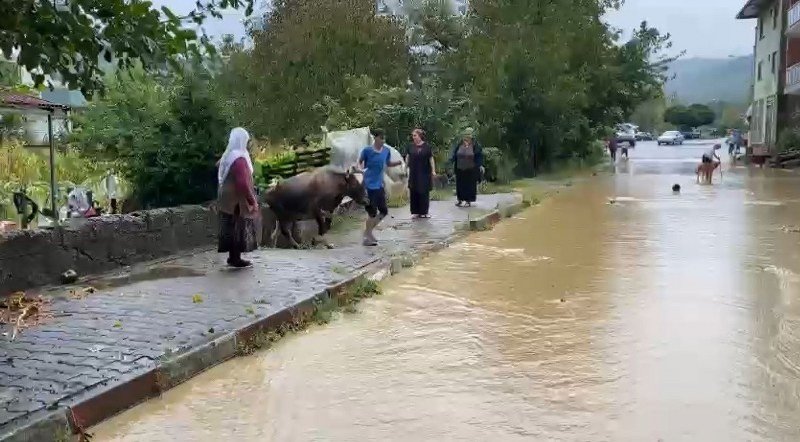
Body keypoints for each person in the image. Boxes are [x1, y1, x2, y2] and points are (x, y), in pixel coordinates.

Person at [217, 127, 260, 268]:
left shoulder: (229, 154)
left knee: (231, 225)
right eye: (246, 141)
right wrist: (251, 200)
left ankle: (232, 257)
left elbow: (219, 166)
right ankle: (235, 258)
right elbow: (242, 182)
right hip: (236, 198)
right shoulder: (239, 158)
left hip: (226, 196)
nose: (248, 143)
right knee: (237, 226)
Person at [359, 129, 403, 246]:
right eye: (381, 138)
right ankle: (367, 236)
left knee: (383, 211)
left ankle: (368, 232)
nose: (383, 141)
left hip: (379, 185)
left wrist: (397, 163)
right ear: (375, 138)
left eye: (384, 138)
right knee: (372, 213)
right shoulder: (367, 151)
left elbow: (387, 163)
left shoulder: (386, 151)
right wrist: (360, 170)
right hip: (369, 185)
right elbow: (359, 162)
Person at [405, 128, 436, 219]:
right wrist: (405, 167)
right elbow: (407, 157)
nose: (413, 137)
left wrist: (433, 170)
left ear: (420, 136)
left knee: (423, 192)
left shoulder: (427, 147)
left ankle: (424, 212)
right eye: (413, 136)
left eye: (415, 135)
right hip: (414, 172)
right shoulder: (410, 146)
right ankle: (415, 212)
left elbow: (431, 159)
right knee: (414, 191)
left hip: (424, 172)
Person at [450, 128, 484, 207]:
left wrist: (478, 165)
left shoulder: (475, 145)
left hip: (471, 168)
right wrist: (452, 161)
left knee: (470, 185)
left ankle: (468, 200)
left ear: (471, 137)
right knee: (460, 184)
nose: (466, 138)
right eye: (465, 136)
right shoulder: (460, 144)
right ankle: (460, 200)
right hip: (460, 168)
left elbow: (479, 156)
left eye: (468, 136)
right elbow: (455, 154)